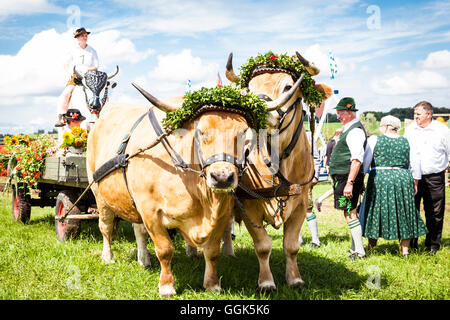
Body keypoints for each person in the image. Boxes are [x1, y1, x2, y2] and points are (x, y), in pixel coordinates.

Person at [361, 115, 428, 257]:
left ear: (385, 127)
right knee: (404, 212)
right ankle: (405, 251)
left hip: (380, 178)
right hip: (402, 178)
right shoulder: (407, 140)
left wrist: (362, 177)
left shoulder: (374, 140)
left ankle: (371, 246)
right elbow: (415, 163)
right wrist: (415, 181)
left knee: (376, 210)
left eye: (380, 126)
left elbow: (366, 160)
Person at [404, 101, 450, 255]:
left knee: (435, 213)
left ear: (429, 114)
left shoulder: (442, 130)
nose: (415, 117)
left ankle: (432, 245)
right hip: (412, 177)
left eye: (418, 114)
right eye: (414, 114)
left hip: (435, 177)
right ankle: (412, 243)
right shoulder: (410, 130)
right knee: (412, 210)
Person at [328, 97, 367, 260]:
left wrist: (350, 183)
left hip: (347, 179)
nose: (338, 116)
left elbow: (357, 159)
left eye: (340, 113)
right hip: (344, 179)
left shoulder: (355, 131)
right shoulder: (350, 129)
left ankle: (359, 251)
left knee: (350, 212)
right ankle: (355, 248)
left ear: (350, 112)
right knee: (348, 211)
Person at [55, 27, 99, 127]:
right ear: (77, 37)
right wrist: (69, 73)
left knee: (101, 92)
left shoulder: (92, 51)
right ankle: (61, 117)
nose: (85, 37)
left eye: (86, 35)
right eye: (82, 35)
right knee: (66, 94)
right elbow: (66, 63)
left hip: (90, 76)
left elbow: (96, 66)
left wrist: (87, 70)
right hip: (76, 76)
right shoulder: (73, 50)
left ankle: (99, 115)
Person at [298, 128, 322, 248]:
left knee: (308, 208)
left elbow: (316, 158)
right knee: (291, 211)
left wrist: (315, 176)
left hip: (306, 179)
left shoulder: (308, 135)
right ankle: (298, 239)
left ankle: (316, 240)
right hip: (289, 181)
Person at [314, 128, 343, 212]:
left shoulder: (331, 143)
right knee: (336, 187)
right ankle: (320, 200)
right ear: (339, 134)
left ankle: (321, 200)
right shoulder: (332, 143)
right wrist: (325, 167)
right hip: (333, 168)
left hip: (333, 167)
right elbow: (326, 156)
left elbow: (326, 156)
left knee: (337, 187)